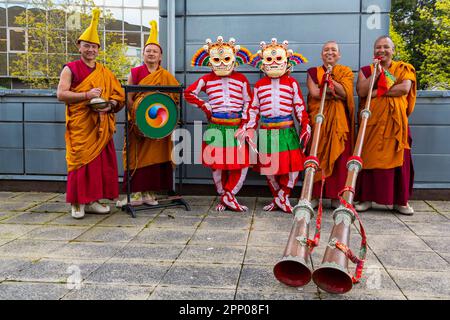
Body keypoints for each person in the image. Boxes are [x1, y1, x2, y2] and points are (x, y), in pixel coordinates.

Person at [56, 8, 125, 219]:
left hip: (101, 124)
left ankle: (94, 200)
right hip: (81, 124)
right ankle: (77, 203)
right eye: (87, 46)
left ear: (98, 49)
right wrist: (86, 95)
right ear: (79, 47)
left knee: (99, 164)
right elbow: (61, 94)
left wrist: (110, 105)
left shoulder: (105, 72)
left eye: (94, 47)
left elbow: (118, 96)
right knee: (80, 163)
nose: (90, 50)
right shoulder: (70, 68)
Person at [184, 36, 252, 212]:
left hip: (236, 127)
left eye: (226, 58)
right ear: (209, 60)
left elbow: (248, 102)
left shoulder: (242, 79)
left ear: (234, 58)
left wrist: (244, 125)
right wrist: (205, 106)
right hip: (216, 127)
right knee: (217, 165)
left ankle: (229, 196)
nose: (222, 63)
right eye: (217, 59)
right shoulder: (206, 79)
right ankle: (225, 196)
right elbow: (189, 93)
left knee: (241, 164)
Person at [116, 21, 180, 207]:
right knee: (135, 156)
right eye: (148, 50)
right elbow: (128, 97)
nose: (151, 53)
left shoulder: (165, 75)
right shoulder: (135, 72)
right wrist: (136, 118)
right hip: (139, 125)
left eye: (155, 51)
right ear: (143, 54)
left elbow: (175, 97)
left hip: (159, 123)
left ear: (160, 56)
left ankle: (149, 193)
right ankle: (135, 194)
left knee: (157, 158)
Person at [245, 39, 310, 213]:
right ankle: (279, 199)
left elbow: (299, 107)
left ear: (287, 61)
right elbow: (253, 109)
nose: (274, 63)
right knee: (270, 169)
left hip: (287, 131)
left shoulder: (292, 83)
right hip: (266, 132)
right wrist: (249, 128)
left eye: (278, 59)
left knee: (293, 168)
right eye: (269, 60)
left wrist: (305, 124)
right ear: (262, 63)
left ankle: (283, 196)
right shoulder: (259, 85)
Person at [355, 35, 416, 215]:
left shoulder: (403, 68)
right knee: (367, 159)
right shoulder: (367, 70)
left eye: (385, 47)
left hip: (396, 124)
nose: (381, 50)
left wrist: (376, 93)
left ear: (393, 50)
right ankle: (366, 199)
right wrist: (376, 74)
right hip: (372, 123)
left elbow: (404, 89)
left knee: (400, 160)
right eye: (378, 47)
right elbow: (361, 91)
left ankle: (400, 202)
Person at [306, 41, 355, 209]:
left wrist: (330, 84)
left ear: (339, 55)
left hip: (338, 123)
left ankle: (337, 197)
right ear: (321, 55)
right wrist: (333, 93)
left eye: (333, 50)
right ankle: (313, 196)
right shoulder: (313, 72)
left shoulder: (345, 72)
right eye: (326, 50)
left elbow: (345, 93)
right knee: (315, 156)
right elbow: (314, 93)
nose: (330, 52)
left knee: (340, 159)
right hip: (319, 119)